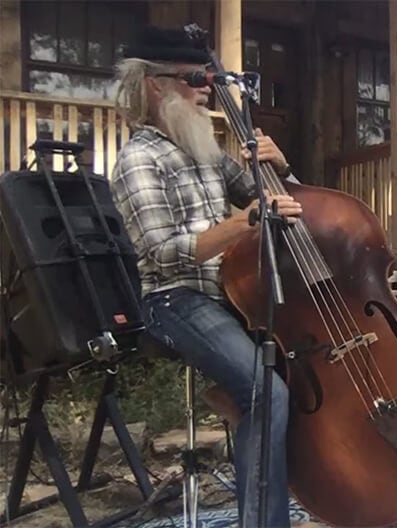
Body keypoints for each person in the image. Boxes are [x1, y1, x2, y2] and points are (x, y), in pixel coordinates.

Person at [109, 26, 303, 527]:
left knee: (290, 379)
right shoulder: (138, 159)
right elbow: (165, 253)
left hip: (233, 294)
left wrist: (281, 167)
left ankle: (240, 407)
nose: (206, 90)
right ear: (155, 85)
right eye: (196, 79)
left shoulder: (207, 151)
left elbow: (280, 205)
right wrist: (242, 221)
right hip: (176, 299)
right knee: (267, 390)